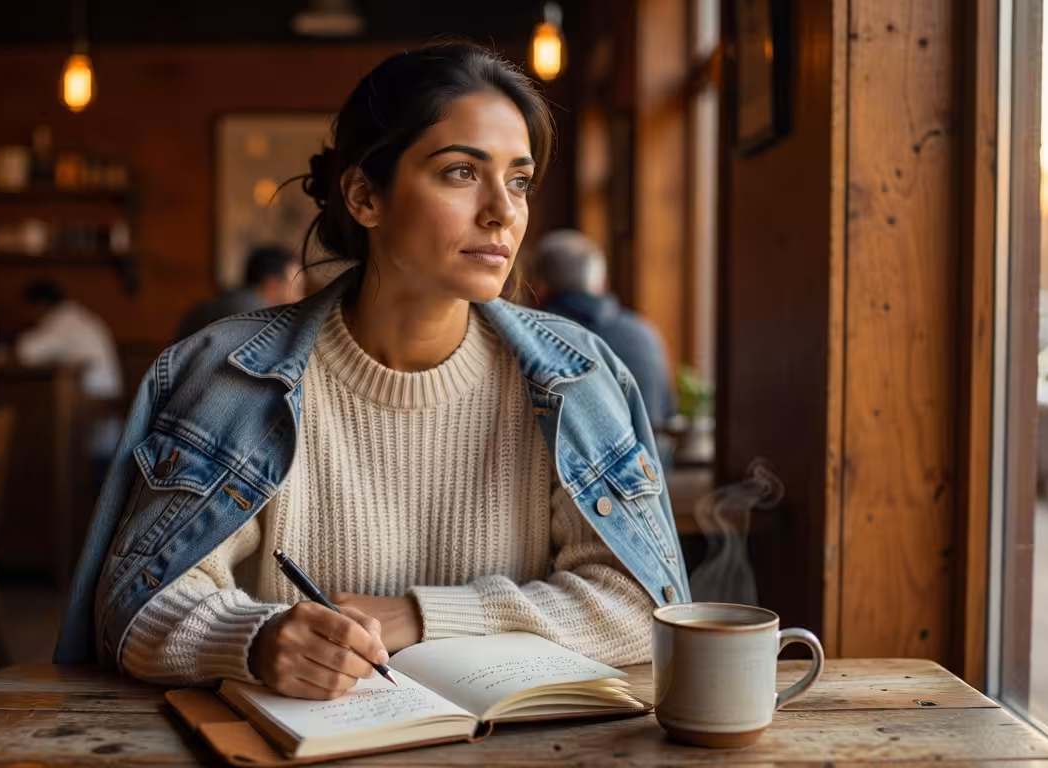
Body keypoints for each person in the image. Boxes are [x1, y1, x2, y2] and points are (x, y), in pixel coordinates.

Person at [55, 42, 689, 702]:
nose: (504, 211)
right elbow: (136, 605)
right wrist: (256, 640)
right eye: (461, 174)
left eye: (520, 180)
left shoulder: (578, 378)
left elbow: (644, 608)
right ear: (364, 196)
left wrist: (420, 617)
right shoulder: (228, 376)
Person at [529, 230, 677, 429]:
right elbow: (666, 415)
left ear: (539, 286)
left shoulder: (533, 339)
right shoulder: (644, 335)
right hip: (649, 459)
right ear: (601, 284)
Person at [16, 280, 123, 462]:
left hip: (92, 407)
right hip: (107, 403)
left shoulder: (62, 321)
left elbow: (25, 350)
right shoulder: (81, 317)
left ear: (40, 305)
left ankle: (58, 484)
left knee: (42, 421)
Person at [173, 245, 300, 342]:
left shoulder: (234, 301)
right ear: (273, 285)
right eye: (297, 288)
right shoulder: (248, 313)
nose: (299, 297)